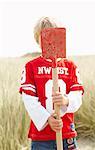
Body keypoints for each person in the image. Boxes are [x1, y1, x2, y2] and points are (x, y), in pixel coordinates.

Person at [19, 17, 84, 150]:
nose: (49, 42)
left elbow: (77, 95)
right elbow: (29, 99)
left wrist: (66, 100)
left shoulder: (70, 66)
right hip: (42, 137)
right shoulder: (31, 67)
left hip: (66, 133)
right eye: (44, 38)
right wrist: (47, 118)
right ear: (38, 40)